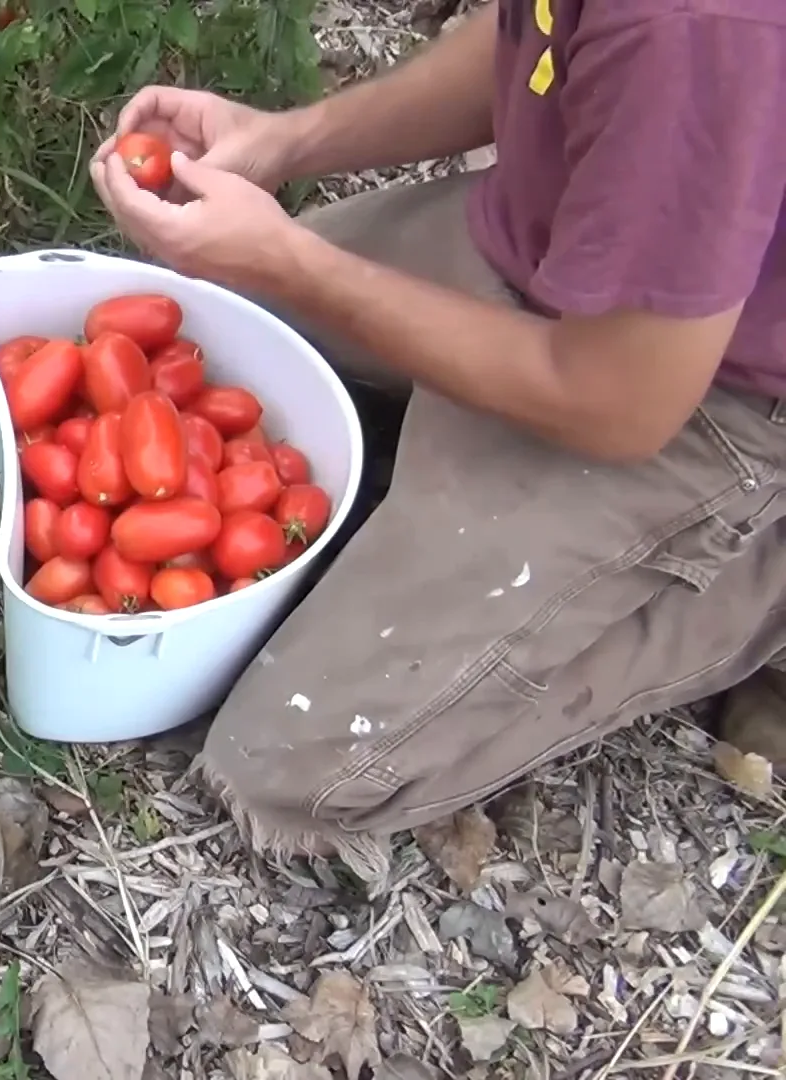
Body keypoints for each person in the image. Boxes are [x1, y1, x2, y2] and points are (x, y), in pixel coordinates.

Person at [89, 0, 786, 883]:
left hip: (692, 386)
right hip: (552, 238)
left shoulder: (701, 28)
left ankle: (753, 571)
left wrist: (290, 261)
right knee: (199, 334)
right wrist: (285, 141)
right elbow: (533, 36)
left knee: (292, 762)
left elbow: (618, 402)